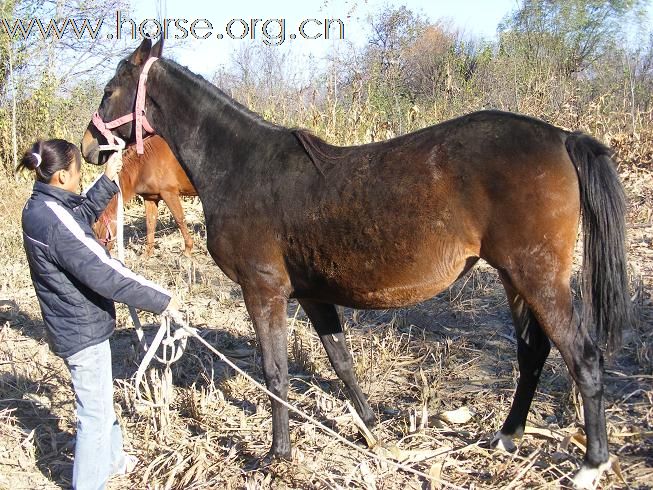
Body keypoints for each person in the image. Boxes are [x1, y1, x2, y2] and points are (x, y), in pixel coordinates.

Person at [18, 138, 181, 490]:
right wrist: (161, 299)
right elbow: (106, 273)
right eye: (78, 173)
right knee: (92, 416)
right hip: (80, 331)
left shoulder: (41, 206)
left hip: (78, 325)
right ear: (61, 176)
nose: (80, 178)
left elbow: (77, 217)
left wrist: (107, 179)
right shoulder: (55, 223)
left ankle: (113, 460)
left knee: (101, 401)